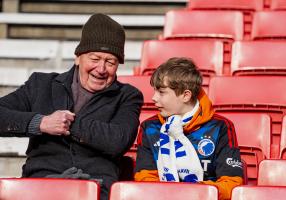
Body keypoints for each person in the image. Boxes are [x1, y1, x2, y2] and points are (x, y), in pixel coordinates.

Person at [0, 13, 143, 200]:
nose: (101, 69)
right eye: (95, 58)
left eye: (110, 62)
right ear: (78, 58)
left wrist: (69, 124)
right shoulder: (41, 84)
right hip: (40, 186)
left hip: (96, 188)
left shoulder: (128, 96)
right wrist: (41, 122)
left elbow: (119, 140)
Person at [134, 57, 243, 200]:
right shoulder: (150, 128)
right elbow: (144, 178)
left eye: (161, 92)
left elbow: (231, 183)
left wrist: (193, 193)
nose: (154, 98)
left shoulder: (220, 127)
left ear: (185, 95)